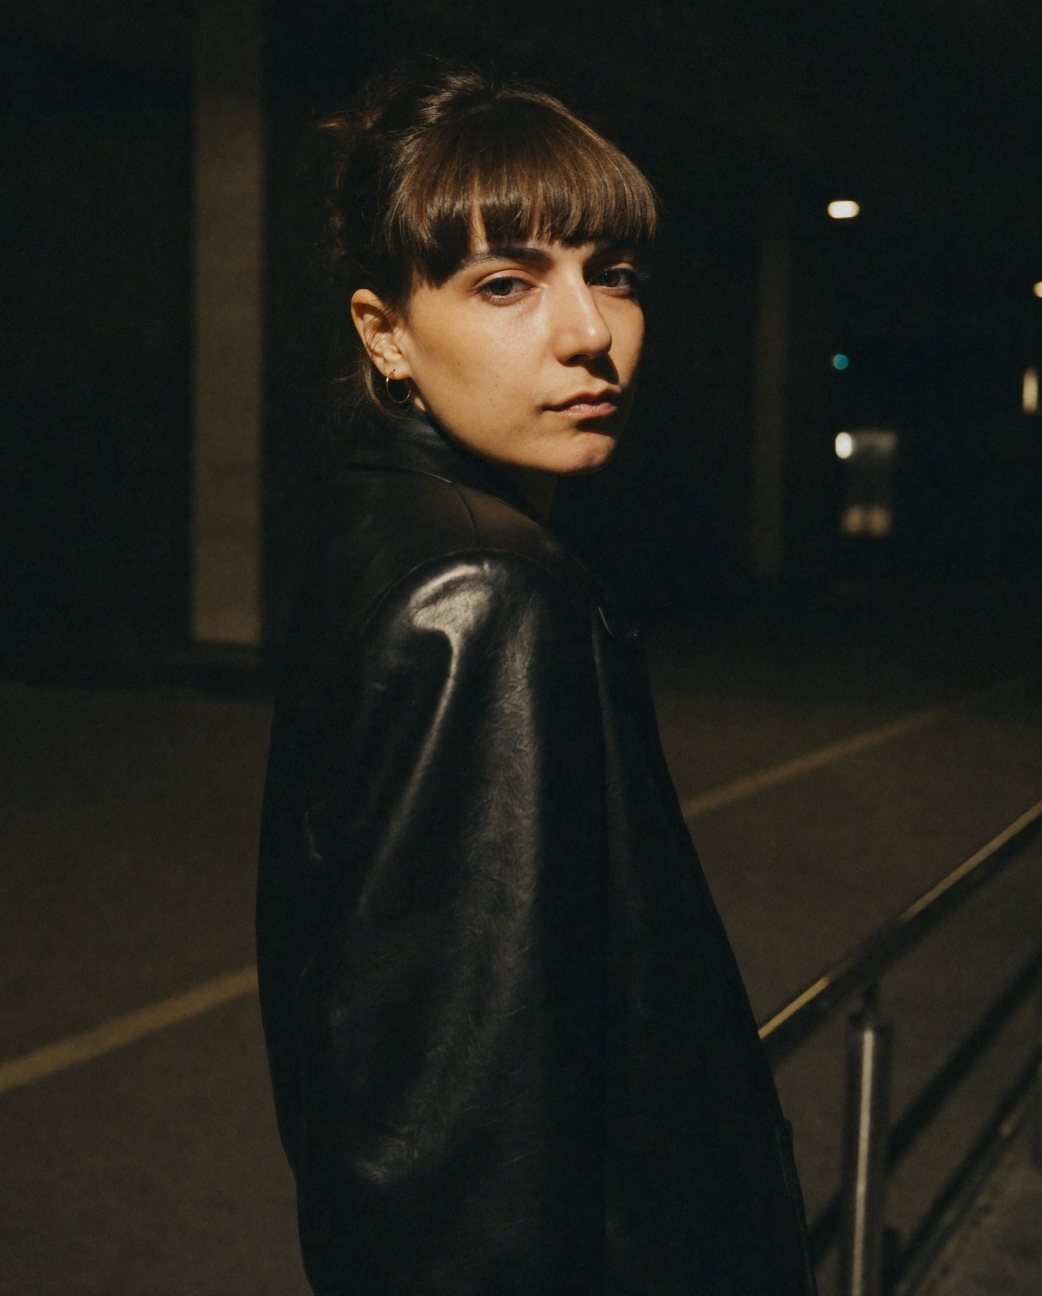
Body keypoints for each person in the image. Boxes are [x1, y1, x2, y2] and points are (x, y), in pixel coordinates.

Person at [256, 63, 816, 1295]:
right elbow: (460, 1135)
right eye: (504, 283)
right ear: (383, 333)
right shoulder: (489, 591)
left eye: (610, 273)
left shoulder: (386, 524)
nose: (588, 332)